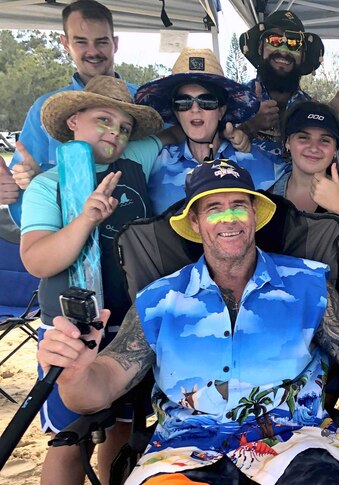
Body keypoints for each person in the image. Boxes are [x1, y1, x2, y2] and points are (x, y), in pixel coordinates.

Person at [36, 158, 339, 485]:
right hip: (181, 452)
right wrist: (75, 373)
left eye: (238, 206)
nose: (228, 218)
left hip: (294, 446)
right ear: (195, 222)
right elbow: (95, 392)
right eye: (213, 208)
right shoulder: (159, 300)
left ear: (254, 216)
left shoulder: (308, 282)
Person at [19, 75, 163, 485]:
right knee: (69, 438)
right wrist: (85, 220)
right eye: (102, 120)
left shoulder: (136, 161)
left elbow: (169, 131)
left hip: (129, 324)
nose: (113, 133)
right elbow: (36, 260)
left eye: (123, 127)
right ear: (73, 121)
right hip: (70, 330)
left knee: (121, 426)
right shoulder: (48, 185)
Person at [5, 0, 135, 225]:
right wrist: (22, 182)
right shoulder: (43, 109)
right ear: (65, 43)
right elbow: (20, 193)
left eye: (101, 41)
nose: (93, 51)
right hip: (71, 243)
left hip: (138, 241)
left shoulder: (144, 101)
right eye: (81, 42)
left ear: (115, 43)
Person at [135, 47, 279, 214]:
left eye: (207, 101)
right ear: (175, 111)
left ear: (221, 110)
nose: (195, 109)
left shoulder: (256, 161)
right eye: (183, 102)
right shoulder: (152, 164)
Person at [270, 101, 339, 323]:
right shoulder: (270, 195)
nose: (314, 147)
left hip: (338, 323)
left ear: (335, 149)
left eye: (324, 140)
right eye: (303, 137)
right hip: (283, 318)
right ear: (287, 142)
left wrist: (338, 207)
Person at [238, 10, 339, 162]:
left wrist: (329, 113)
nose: (284, 51)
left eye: (295, 44)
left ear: (303, 56)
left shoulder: (310, 107)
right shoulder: (235, 99)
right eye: (274, 40)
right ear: (260, 48)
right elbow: (210, 148)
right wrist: (251, 125)